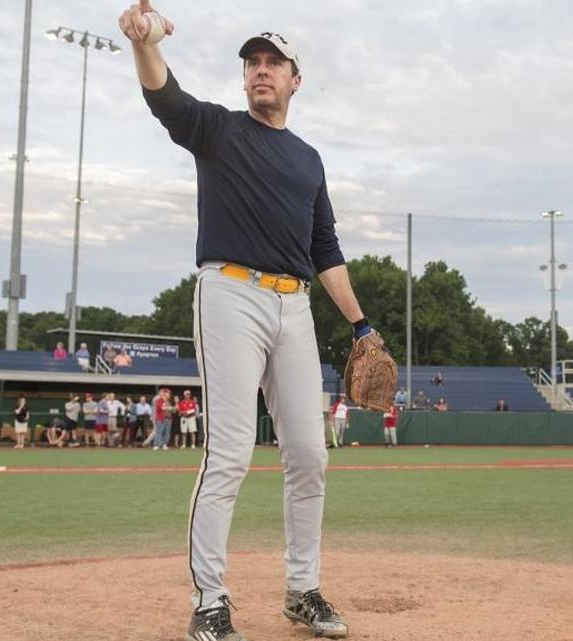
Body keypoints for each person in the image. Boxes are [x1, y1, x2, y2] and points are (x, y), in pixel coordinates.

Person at [119, 6, 364, 637]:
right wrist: (147, 45)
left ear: (294, 80)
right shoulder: (219, 130)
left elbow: (326, 249)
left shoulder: (309, 160)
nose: (260, 71)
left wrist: (362, 326)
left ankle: (302, 590)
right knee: (228, 453)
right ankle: (209, 600)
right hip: (229, 292)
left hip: (296, 304)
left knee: (310, 456)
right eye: (252, 64)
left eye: (272, 63)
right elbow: (165, 98)